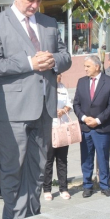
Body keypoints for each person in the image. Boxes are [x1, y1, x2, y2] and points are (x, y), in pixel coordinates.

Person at [0, 0, 71, 219]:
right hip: (13, 112)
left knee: (38, 170)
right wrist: (30, 63)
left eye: (39, 0)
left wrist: (53, 60)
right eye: (30, 0)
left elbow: (65, 56)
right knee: (13, 171)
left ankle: (33, 218)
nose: (35, 6)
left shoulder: (49, 23)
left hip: (44, 108)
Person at [73, 55, 110, 198]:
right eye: (85, 66)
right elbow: (76, 104)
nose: (85, 69)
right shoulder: (81, 82)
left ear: (97, 67)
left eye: (88, 66)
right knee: (86, 157)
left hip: (102, 127)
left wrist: (98, 120)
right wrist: (85, 118)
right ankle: (87, 185)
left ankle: (104, 185)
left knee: (103, 157)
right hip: (86, 127)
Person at [43, 73, 72, 201]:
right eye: (56, 74)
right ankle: (47, 189)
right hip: (49, 128)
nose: (59, 76)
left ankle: (63, 188)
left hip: (62, 128)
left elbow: (69, 104)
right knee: (48, 160)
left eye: (60, 74)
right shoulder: (45, 87)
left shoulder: (63, 88)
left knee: (62, 159)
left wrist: (63, 110)